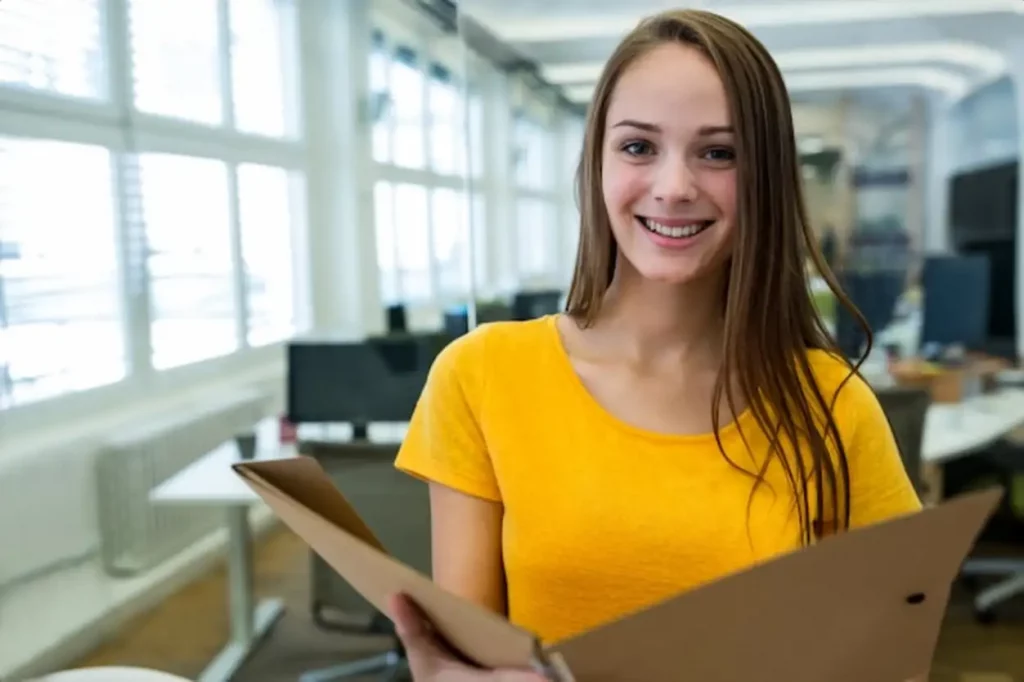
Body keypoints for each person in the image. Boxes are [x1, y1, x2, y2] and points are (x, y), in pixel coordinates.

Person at [389, 8, 921, 681]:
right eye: (639, 147)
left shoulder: (830, 402)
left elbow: (892, 662)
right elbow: (472, 661)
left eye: (719, 152)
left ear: (765, 177)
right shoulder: (482, 374)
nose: (674, 188)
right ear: (598, 164)